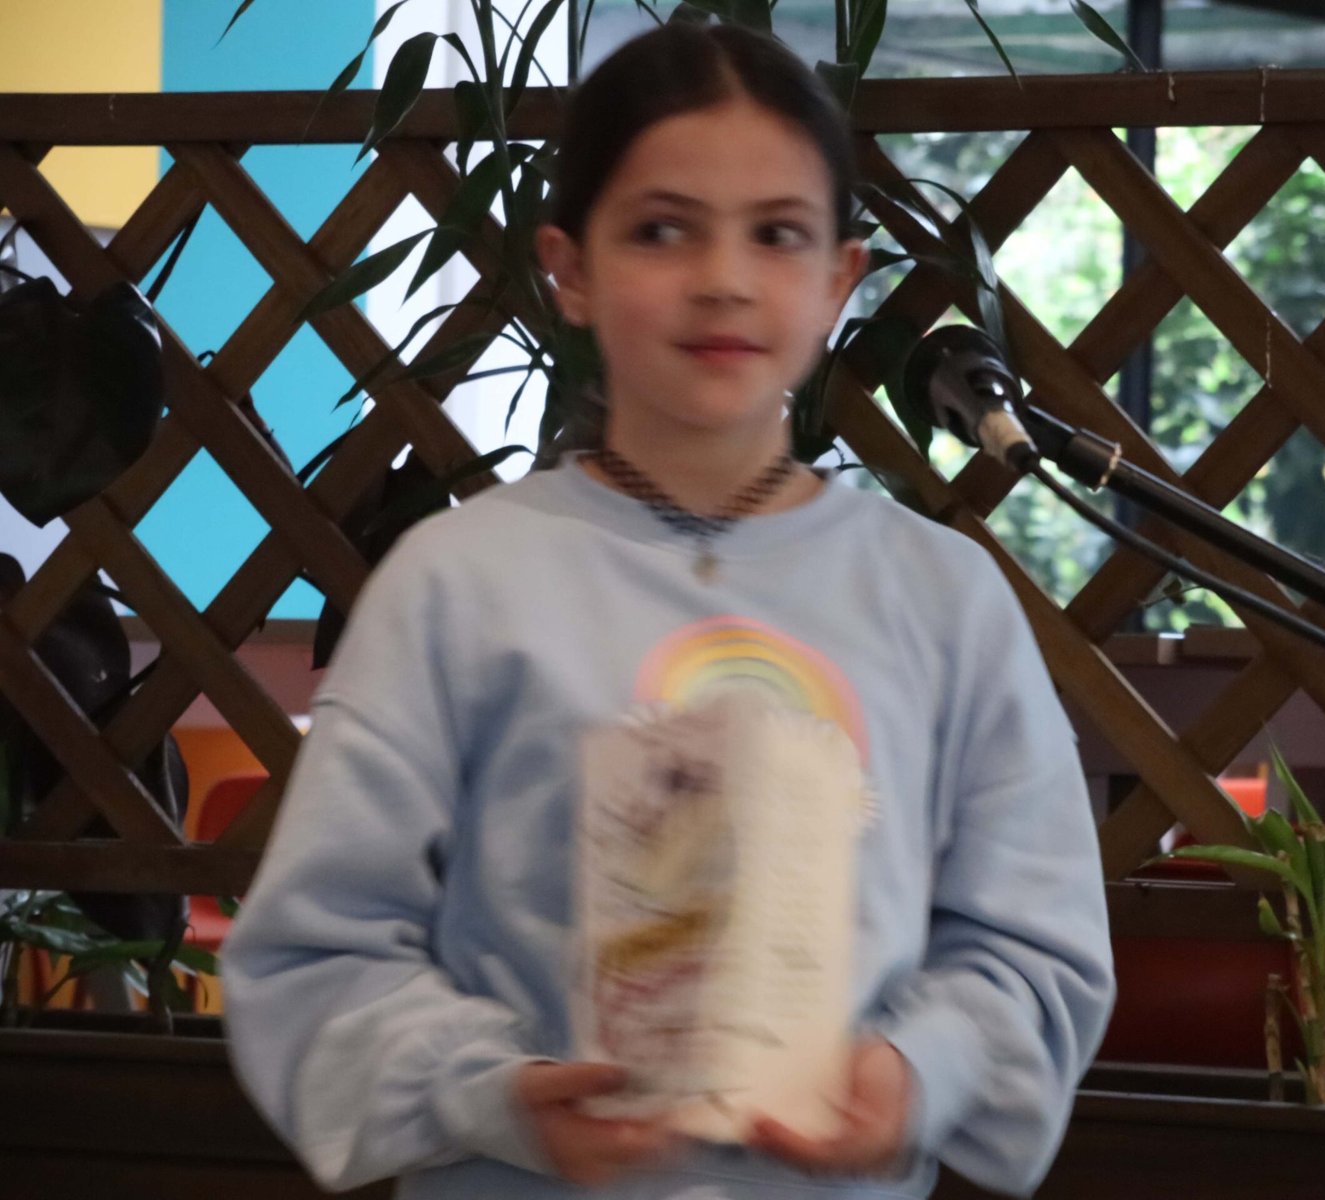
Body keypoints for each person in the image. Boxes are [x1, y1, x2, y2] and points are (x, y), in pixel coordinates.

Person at [223, 20, 1114, 1200]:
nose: (722, 279)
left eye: (776, 234)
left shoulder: (943, 598)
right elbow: (315, 953)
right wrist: (495, 1095)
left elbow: (1033, 946)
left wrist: (917, 1071)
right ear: (570, 269)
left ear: (839, 280)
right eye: (660, 229)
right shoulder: (456, 585)